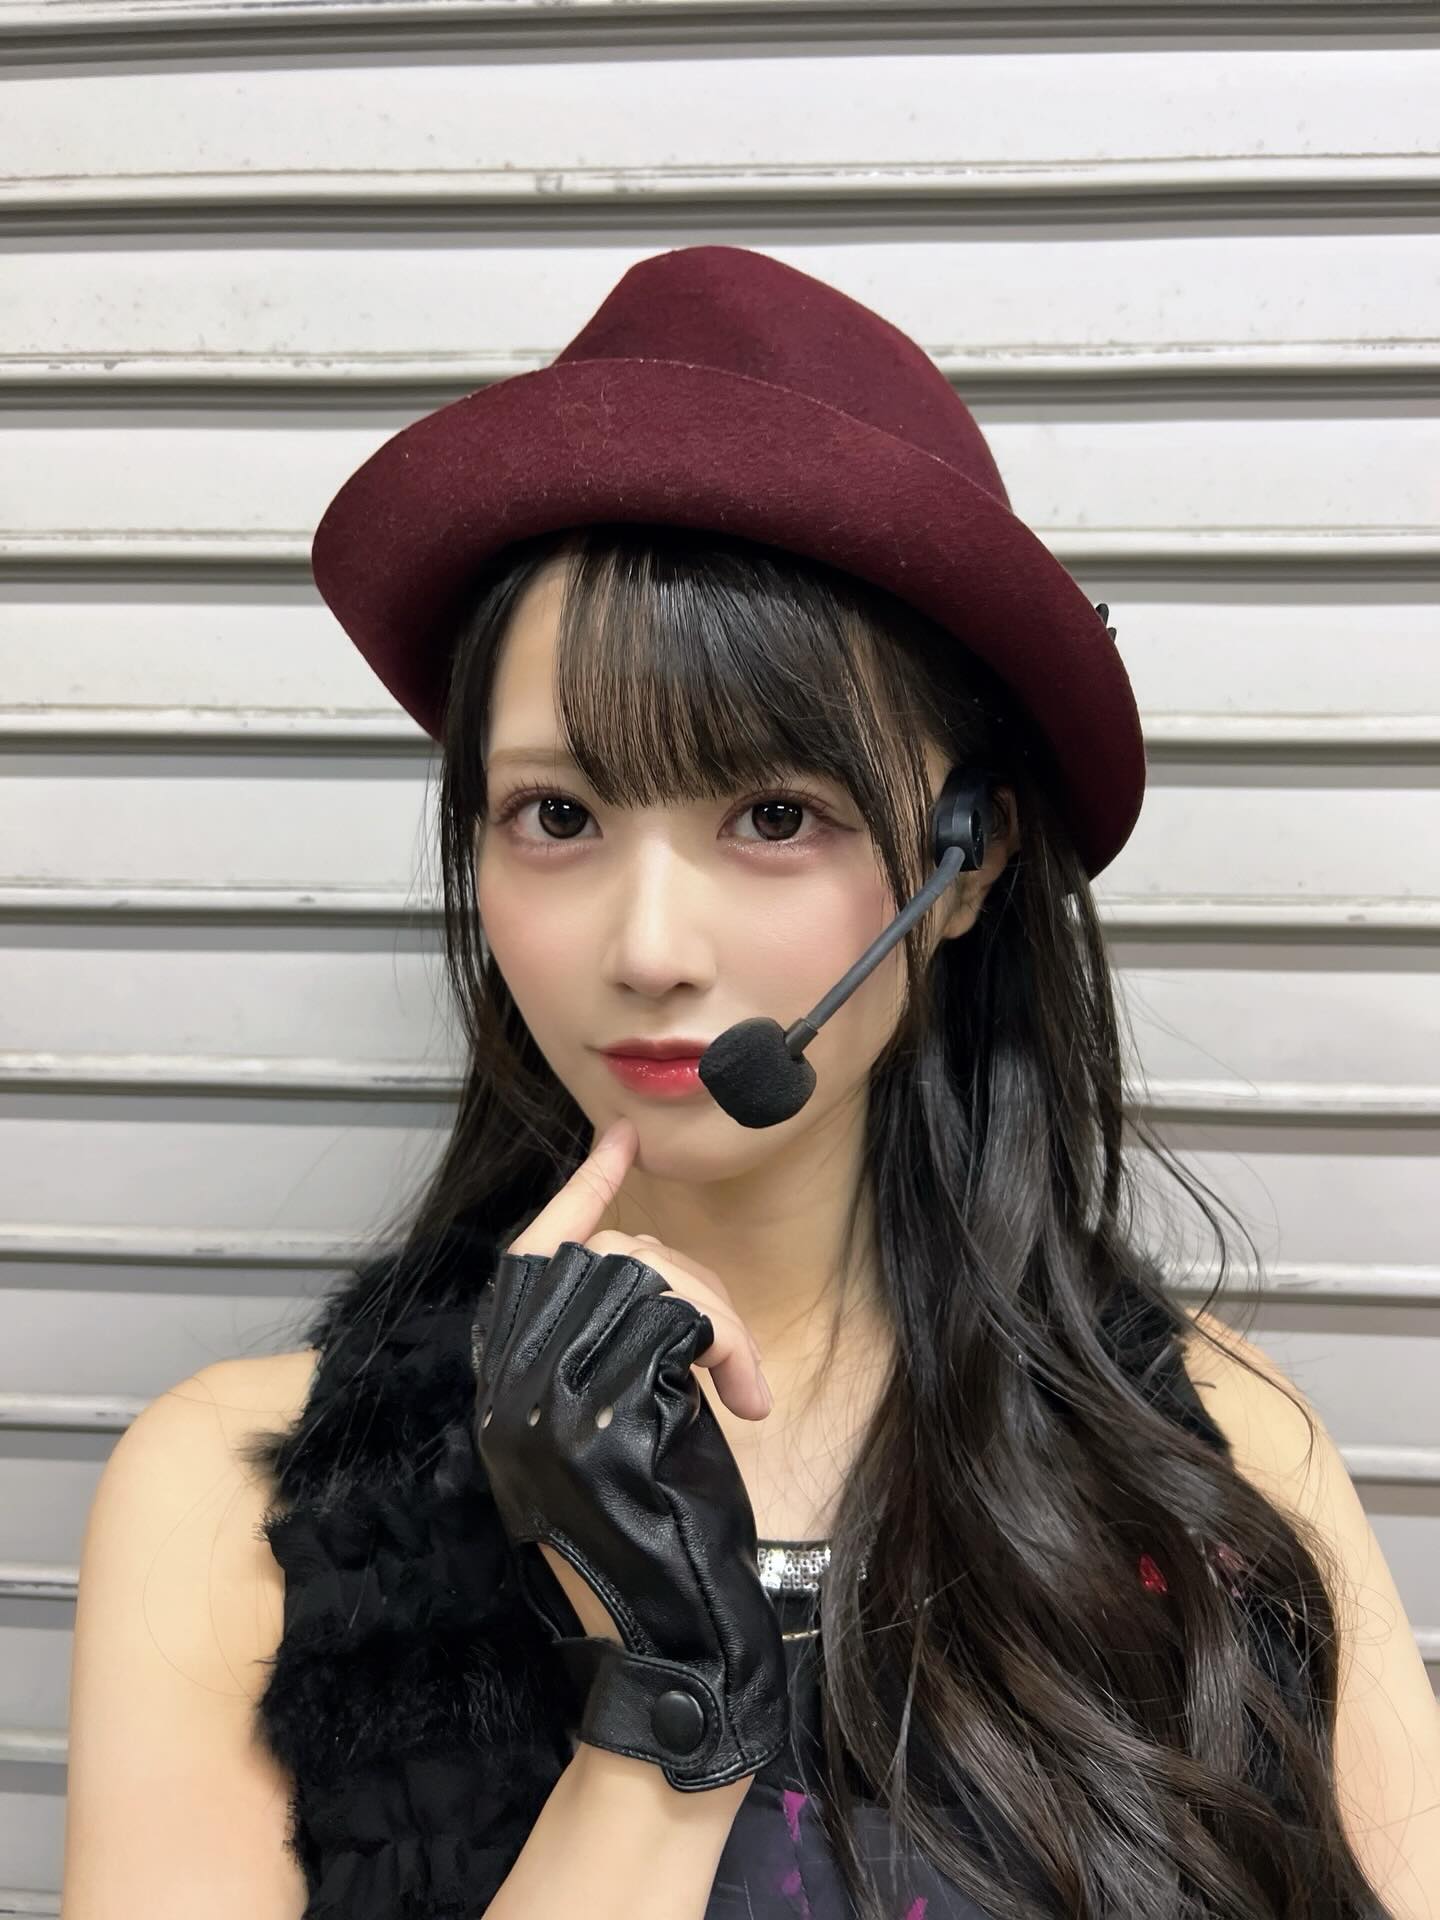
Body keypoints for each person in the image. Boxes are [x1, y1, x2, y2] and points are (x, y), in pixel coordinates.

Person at [61, 247, 1439, 1920]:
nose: (648, 948)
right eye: (557, 815)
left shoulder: (1221, 1453)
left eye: (774, 816)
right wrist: (665, 1711)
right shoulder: (236, 1501)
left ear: (970, 865)